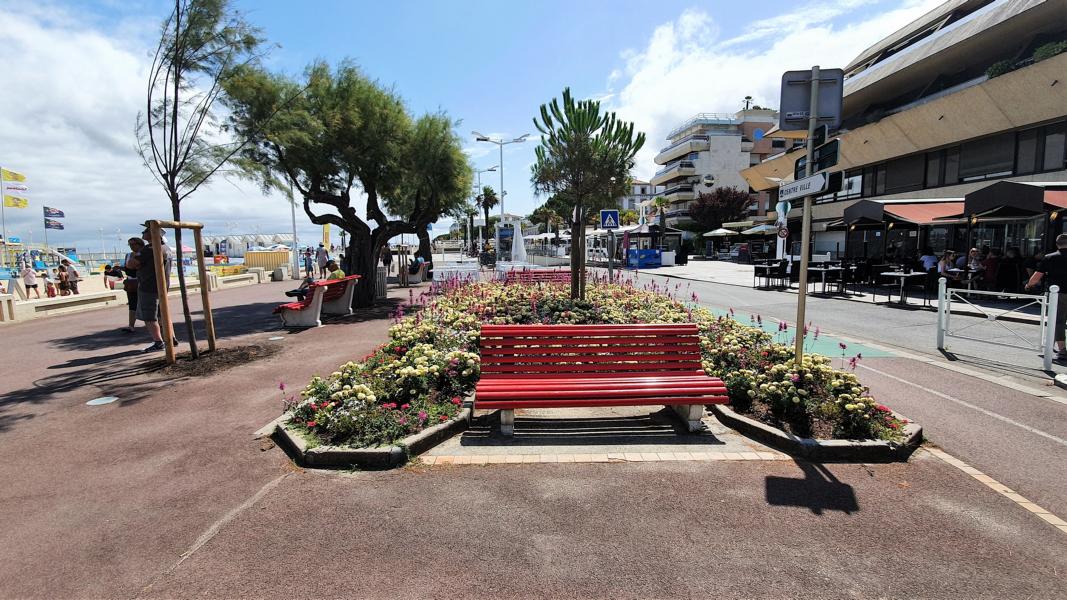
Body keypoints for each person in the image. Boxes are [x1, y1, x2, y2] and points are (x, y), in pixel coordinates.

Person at [127, 227, 178, 352]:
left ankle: (158, 342)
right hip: (162, 286)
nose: (143, 233)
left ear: (153, 234)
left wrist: (134, 258)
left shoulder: (149, 249)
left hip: (148, 287)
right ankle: (171, 339)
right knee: (163, 315)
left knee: (149, 317)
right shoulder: (166, 248)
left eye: (145, 231)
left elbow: (130, 264)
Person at [1025, 234, 1067, 359]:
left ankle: (1062, 349)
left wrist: (1028, 285)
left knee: (1058, 320)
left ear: (1057, 244)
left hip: (1058, 293)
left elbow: (1037, 277)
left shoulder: (1050, 257)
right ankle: (1051, 346)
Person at [121, 237, 143, 333]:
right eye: (129, 244)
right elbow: (128, 268)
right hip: (131, 282)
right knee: (132, 304)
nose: (131, 246)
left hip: (142, 282)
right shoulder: (128, 255)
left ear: (139, 244)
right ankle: (131, 325)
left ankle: (159, 324)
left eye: (133, 244)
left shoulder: (143, 254)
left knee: (146, 304)